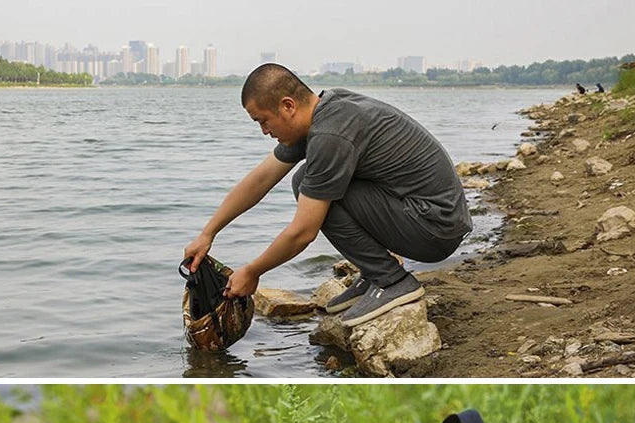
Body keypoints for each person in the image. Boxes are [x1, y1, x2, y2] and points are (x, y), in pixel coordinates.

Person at [184, 64, 472, 327]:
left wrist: (253, 271)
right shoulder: (324, 111)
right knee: (305, 180)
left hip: (435, 227)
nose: (263, 131)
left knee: (310, 187)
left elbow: (303, 232)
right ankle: (375, 274)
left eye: (263, 121)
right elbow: (261, 179)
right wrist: (208, 233)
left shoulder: (331, 133)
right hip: (426, 216)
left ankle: (392, 280)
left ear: (288, 106)